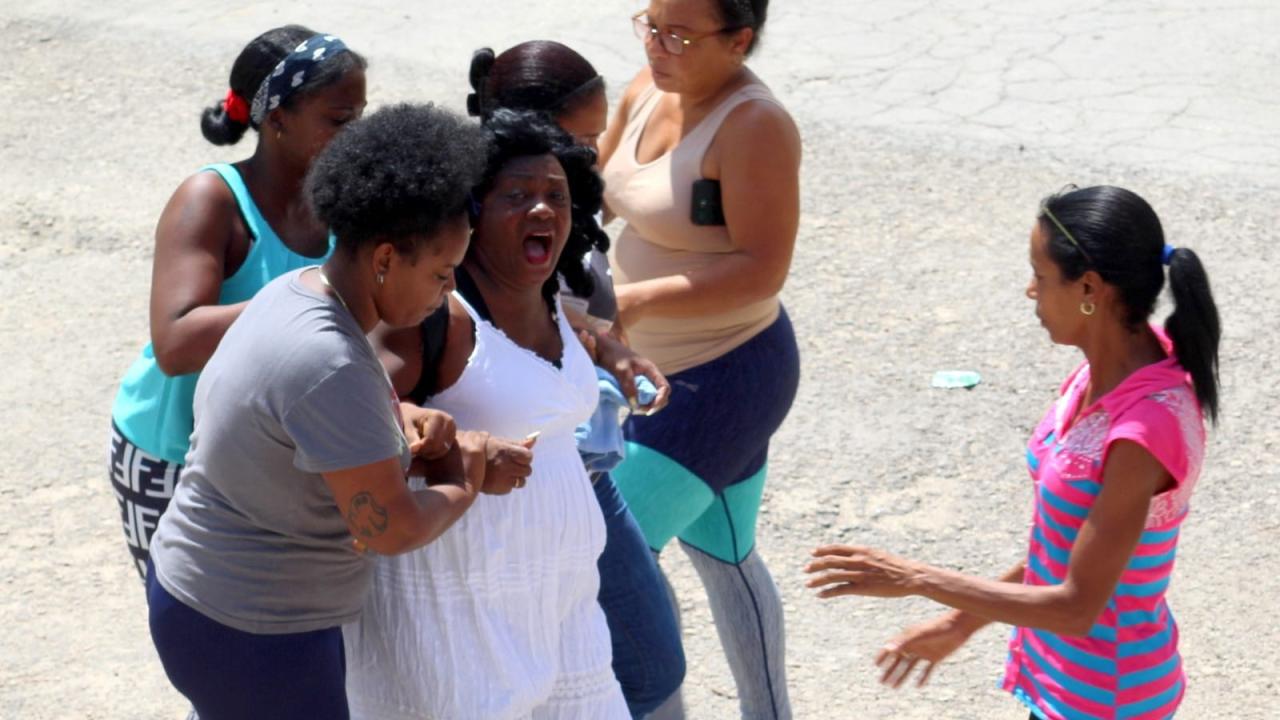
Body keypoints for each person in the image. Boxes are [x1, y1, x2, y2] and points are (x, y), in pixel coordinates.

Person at [146, 103, 529, 720]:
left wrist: (400, 423)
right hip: (253, 630)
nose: (448, 292)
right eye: (440, 273)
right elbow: (389, 528)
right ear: (384, 260)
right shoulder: (331, 361)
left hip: (209, 602)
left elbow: (305, 426)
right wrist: (466, 477)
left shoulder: (293, 295)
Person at [805, 186, 1221, 720]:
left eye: (1040, 276)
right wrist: (958, 623)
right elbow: (1068, 543)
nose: (1031, 292)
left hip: (1107, 700)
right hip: (1062, 686)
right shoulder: (1104, 375)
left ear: (1089, 287)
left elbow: (1076, 606)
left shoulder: (1145, 426)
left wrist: (914, 578)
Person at [343, 110, 632, 720]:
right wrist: (456, 450)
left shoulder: (554, 301)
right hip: (458, 605)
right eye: (517, 195)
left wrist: (613, 353)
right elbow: (355, 411)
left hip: (559, 597)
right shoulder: (437, 313)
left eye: (557, 195)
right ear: (471, 210)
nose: (542, 210)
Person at [467, 40, 686, 716]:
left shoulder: (565, 211)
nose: (595, 152)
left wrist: (612, 354)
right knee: (641, 666)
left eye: (597, 136)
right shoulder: (469, 237)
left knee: (644, 659)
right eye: (582, 136)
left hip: (582, 467)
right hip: (522, 485)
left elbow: (553, 318)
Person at [597, 1, 801, 717]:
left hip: (727, 376)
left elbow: (762, 268)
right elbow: (595, 195)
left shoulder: (754, 126)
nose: (658, 45)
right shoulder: (645, 87)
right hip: (645, 375)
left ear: (740, 39)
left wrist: (636, 299)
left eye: (679, 35)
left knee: (613, 563)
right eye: (649, 25)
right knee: (725, 555)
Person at [108, 25, 367, 579]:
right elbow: (176, 343)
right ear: (276, 120)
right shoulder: (212, 199)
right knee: (202, 634)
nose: (356, 135)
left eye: (360, 117)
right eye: (339, 120)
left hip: (277, 457)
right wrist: (313, 294)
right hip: (175, 456)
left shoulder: (344, 206)